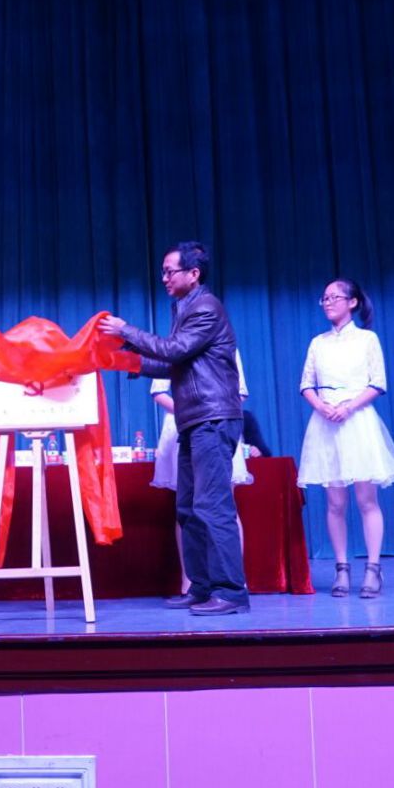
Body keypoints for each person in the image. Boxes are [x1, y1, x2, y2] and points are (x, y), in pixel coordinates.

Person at [98, 241, 249, 616]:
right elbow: (173, 364)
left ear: (193, 274)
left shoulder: (206, 307)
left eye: (170, 271)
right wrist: (126, 362)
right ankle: (201, 587)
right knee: (188, 507)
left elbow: (173, 350)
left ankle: (231, 592)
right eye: (163, 272)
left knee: (213, 505)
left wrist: (126, 331)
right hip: (194, 420)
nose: (164, 278)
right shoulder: (184, 308)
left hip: (212, 418)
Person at [297, 278, 394, 598]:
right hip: (326, 422)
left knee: (366, 499)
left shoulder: (367, 339)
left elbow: (377, 383)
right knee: (335, 502)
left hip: (357, 420)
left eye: (334, 297)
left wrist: (348, 407)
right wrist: (321, 406)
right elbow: (306, 384)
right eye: (324, 298)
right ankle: (342, 568)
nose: (328, 303)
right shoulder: (318, 342)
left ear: (352, 302)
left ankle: (373, 568)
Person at [150, 350, 251, 593]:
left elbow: (239, 392)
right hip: (182, 423)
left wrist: (206, 411)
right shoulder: (171, 346)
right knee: (186, 504)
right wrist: (188, 412)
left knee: (224, 503)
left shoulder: (225, 346)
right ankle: (190, 581)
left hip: (217, 421)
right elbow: (158, 392)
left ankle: (234, 580)